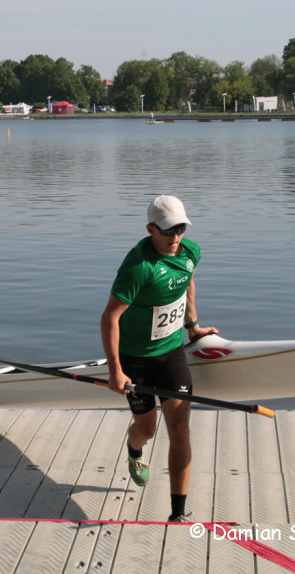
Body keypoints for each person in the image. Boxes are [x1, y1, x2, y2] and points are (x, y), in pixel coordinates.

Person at [100, 195, 218, 523]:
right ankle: (135, 450)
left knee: (180, 429)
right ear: (151, 228)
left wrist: (192, 326)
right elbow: (110, 317)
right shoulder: (139, 267)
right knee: (147, 430)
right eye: (167, 230)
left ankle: (177, 513)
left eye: (180, 228)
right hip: (135, 359)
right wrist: (115, 372)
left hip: (171, 353)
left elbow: (187, 281)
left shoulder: (190, 252)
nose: (175, 236)